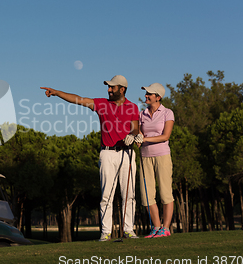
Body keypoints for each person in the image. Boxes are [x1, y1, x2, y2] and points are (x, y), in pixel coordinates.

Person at [41, 75, 141, 241]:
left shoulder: (133, 107)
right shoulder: (102, 104)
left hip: (127, 153)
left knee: (129, 194)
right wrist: (57, 93)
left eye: (112, 87)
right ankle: (106, 232)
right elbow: (78, 100)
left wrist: (134, 135)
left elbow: (135, 129)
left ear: (122, 89)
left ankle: (129, 230)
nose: (109, 90)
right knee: (106, 195)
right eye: (108, 87)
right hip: (107, 153)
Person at [138, 83, 175, 238]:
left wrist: (145, 138)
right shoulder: (142, 114)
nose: (146, 95)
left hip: (162, 156)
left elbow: (165, 136)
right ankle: (156, 227)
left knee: (166, 193)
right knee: (146, 195)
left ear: (158, 97)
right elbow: (138, 131)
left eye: (149, 94)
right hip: (145, 157)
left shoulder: (167, 113)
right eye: (146, 93)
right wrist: (137, 137)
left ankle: (165, 228)